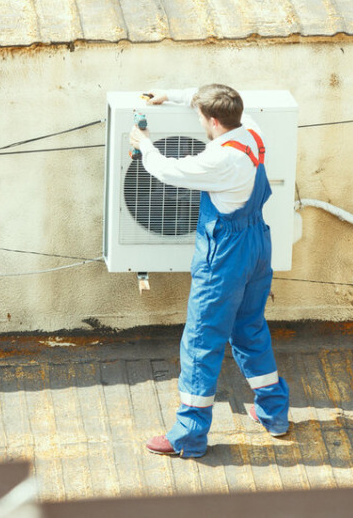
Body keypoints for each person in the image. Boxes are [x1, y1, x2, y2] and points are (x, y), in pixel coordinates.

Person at [129, 84, 290, 458]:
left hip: (225, 255)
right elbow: (211, 98)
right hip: (257, 245)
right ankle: (274, 413)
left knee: (202, 340)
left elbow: (168, 171)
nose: (199, 120)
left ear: (213, 122)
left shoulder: (220, 162)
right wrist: (171, 95)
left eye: (202, 117)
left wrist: (145, 143)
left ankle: (188, 435)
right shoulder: (249, 132)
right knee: (249, 327)